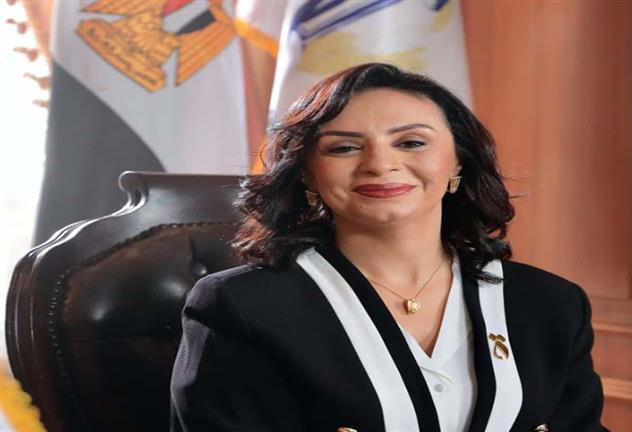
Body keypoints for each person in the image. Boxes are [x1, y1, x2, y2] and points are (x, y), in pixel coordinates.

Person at [170, 63, 608, 432]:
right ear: (307, 174)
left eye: (411, 142)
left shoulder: (550, 303)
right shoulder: (242, 306)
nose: (380, 164)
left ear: (458, 161)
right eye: (344, 148)